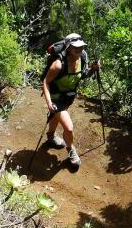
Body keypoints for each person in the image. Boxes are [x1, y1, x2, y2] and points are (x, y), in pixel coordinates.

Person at [42, 33, 100, 169]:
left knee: (58, 117)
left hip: (68, 97)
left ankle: (50, 136)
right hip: (56, 97)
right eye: (75, 48)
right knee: (68, 127)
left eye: (81, 47)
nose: (79, 50)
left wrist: (92, 69)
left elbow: (82, 74)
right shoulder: (58, 64)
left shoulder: (83, 57)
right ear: (68, 48)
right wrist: (49, 102)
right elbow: (46, 82)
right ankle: (71, 150)